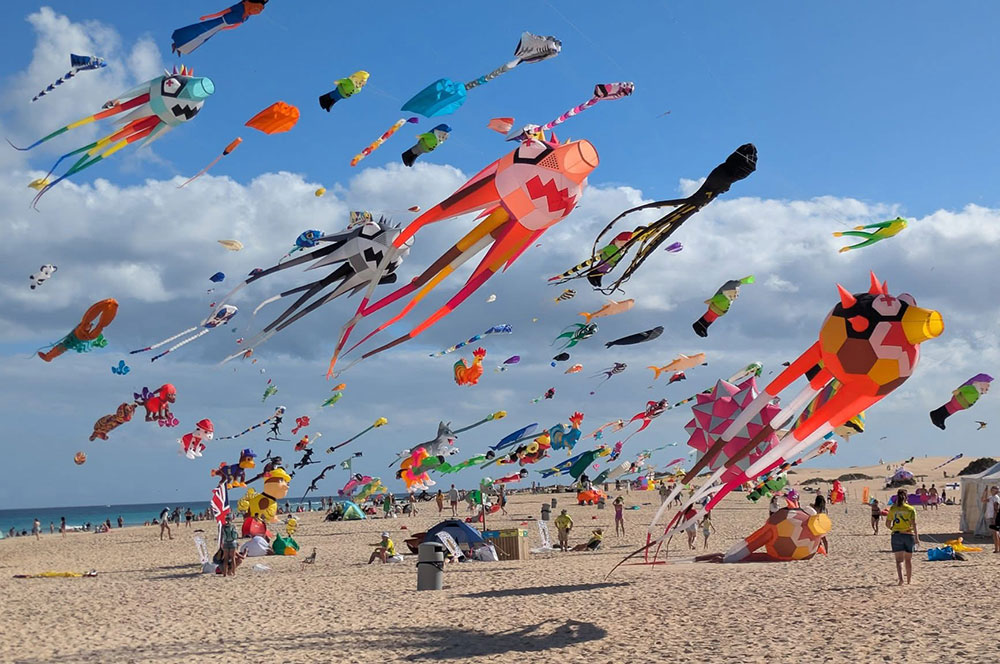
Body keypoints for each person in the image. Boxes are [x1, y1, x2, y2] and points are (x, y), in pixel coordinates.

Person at [887, 488, 919, 585]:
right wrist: (917, 537)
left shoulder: (893, 508)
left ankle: (901, 580)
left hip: (897, 535)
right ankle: (909, 580)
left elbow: (887, 523)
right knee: (908, 560)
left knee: (899, 560)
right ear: (906, 497)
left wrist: (892, 528)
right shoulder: (910, 509)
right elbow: (914, 524)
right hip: (909, 535)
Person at [982, 486, 1000, 553]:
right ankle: (997, 548)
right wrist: (985, 492)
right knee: (995, 533)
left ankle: (997, 548)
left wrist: (995, 518)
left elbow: (996, 509)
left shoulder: (996, 498)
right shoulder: (991, 497)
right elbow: (983, 500)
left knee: (995, 533)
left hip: (994, 517)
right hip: (991, 516)